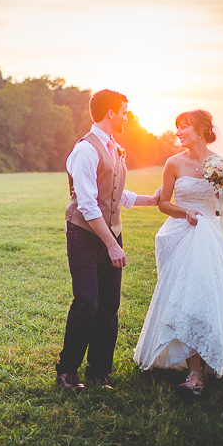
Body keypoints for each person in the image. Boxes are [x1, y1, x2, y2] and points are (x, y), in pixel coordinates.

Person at [133, 109, 223, 396]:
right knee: (183, 298)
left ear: (200, 130)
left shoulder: (221, 164)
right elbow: (164, 203)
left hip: (210, 239)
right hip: (180, 235)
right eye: (177, 127)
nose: (178, 132)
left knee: (203, 296)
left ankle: (198, 370)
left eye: (183, 127)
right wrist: (187, 212)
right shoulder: (173, 163)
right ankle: (191, 366)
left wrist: (221, 198)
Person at [56, 90, 161, 391]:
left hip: (111, 232)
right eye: (124, 111)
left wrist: (149, 200)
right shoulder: (85, 151)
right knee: (87, 301)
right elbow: (88, 204)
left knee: (109, 306)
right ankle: (67, 370)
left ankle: (99, 373)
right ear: (110, 113)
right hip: (84, 235)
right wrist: (112, 244)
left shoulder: (114, 147)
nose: (127, 117)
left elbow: (114, 195)